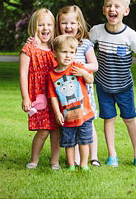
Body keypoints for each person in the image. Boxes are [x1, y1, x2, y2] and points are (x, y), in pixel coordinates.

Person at [88, 0, 136, 168]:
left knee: (129, 119)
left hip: (124, 86)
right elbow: (83, 48)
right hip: (103, 86)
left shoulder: (131, 35)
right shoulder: (96, 31)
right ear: (104, 10)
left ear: (126, 11)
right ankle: (112, 154)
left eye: (117, 6)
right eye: (109, 6)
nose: (112, 9)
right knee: (109, 119)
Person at [56, 5, 100, 167]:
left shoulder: (85, 44)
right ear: (59, 25)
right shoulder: (59, 45)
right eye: (64, 23)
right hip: (67, 95)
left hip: (85, 93)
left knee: (88, 123)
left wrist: (82, 67)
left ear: (79, 25)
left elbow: (94, 66)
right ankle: (73, 159)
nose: (68, 27)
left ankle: (93, 156)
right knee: (71, 124)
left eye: (72, 23)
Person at [46, 34, 96, 171]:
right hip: (67, 116)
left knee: (84, 141)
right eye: (64, 52)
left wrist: (83, 73)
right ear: (55, 53)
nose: (68, 56)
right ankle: (71, 165)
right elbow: (53, 96)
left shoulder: (76, 67)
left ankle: (84, 164)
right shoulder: (52, 74)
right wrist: (57, 113)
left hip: (84, 113)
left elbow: (91, 80)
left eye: (71, 52)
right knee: (69, 142)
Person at [18, 8, 60, 169]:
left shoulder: (56, 48)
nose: (45, 28)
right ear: (34, 27)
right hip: (38, 95)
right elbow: (23, 75)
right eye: (41, 25)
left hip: (55, 96)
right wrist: (25, 97)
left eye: (49, 24)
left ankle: (54, 162)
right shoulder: (28, 50)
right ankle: (34, 160)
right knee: (43, 130)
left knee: (56, 130)